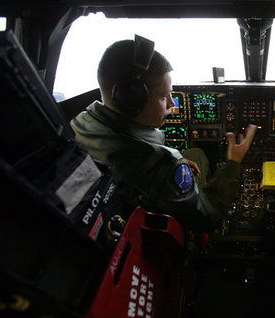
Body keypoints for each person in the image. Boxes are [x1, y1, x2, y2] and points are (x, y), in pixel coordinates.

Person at [71, 38, 257, 232]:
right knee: (200, 156)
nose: (172, 104)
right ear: (131, 99)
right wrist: (234, 163)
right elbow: (207, 216)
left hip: (125, 213)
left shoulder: (81, 122)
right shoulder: (162, 166)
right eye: (163, 96)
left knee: (195, 155)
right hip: (159, 235)